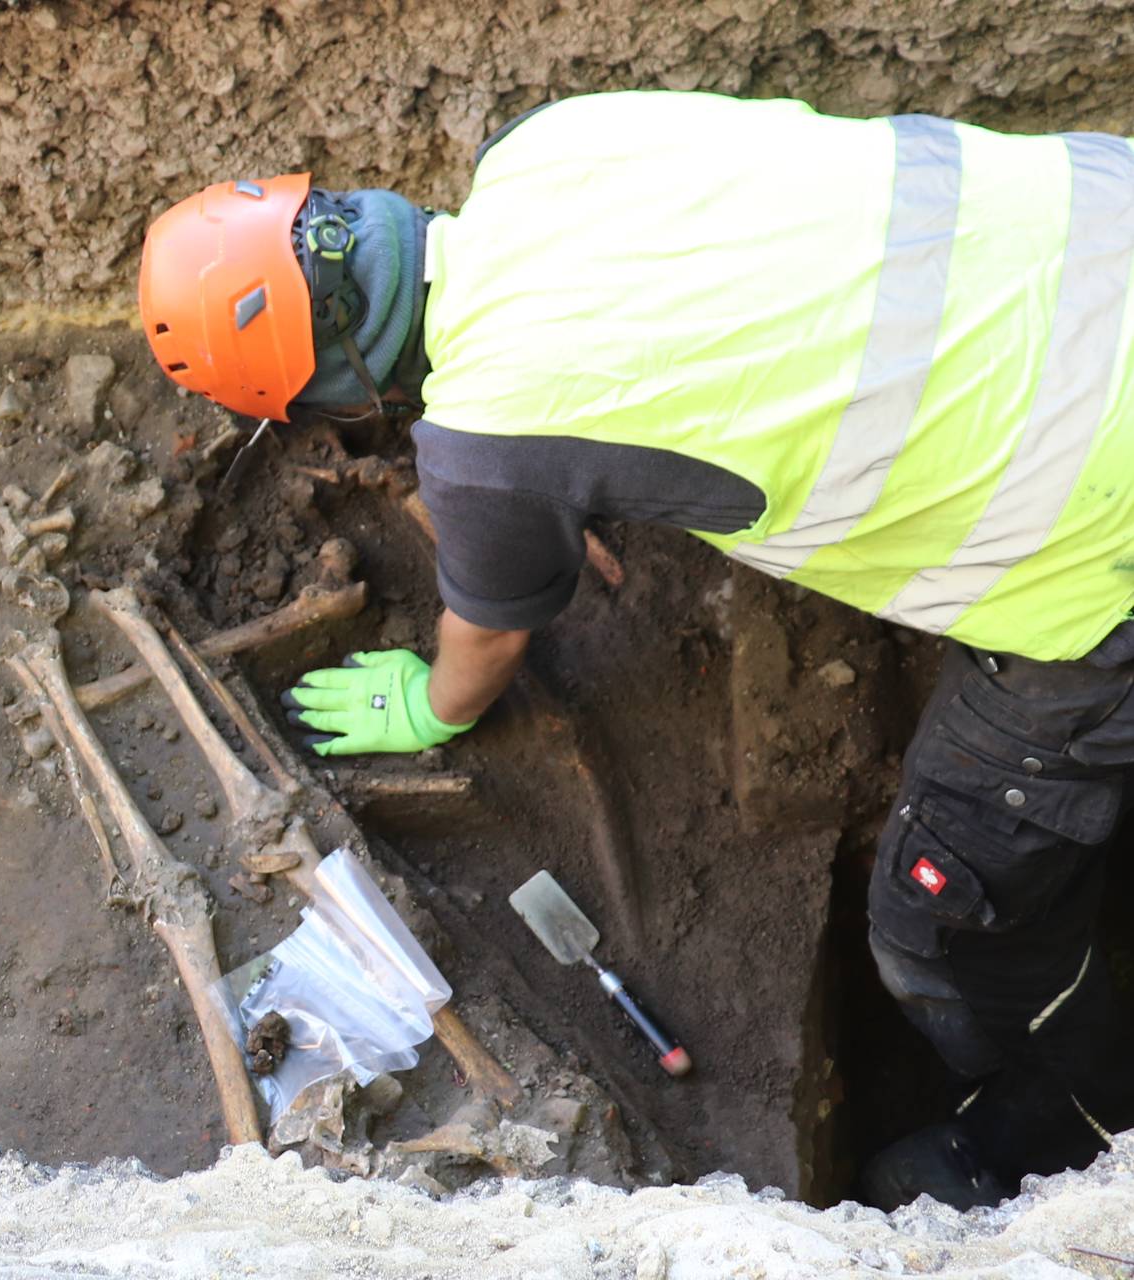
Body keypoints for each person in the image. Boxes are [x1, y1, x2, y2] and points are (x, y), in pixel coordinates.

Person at [137, 90, 1134, 1208]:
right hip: (1103, 227)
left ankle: (1073, 1120)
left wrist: (435, 699)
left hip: (1105, 536)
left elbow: (491, 630)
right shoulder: (551, 141)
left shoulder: (487, 443)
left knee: (942, 921)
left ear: (337, 381)